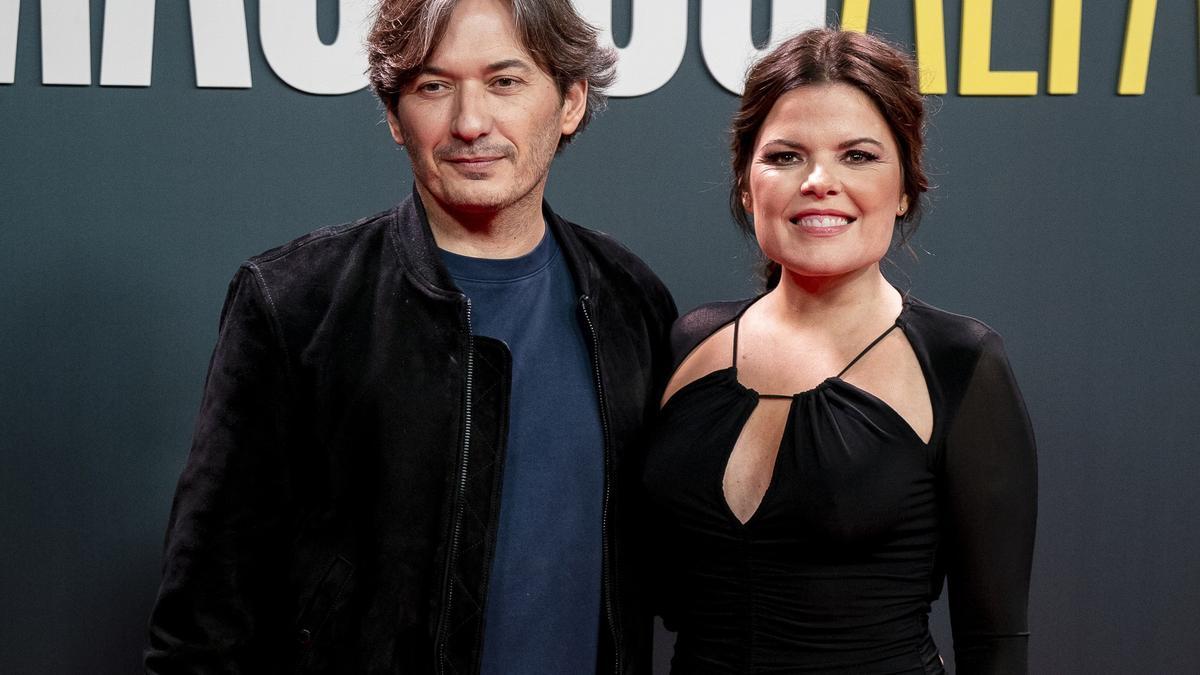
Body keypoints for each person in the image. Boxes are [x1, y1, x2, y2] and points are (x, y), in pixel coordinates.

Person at [144, 0, 676, 672]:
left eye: (505, 82)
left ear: (569, 103)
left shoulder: (632, 301)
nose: (470, 122)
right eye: (434, 86)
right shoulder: (295, 301)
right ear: (396, 117)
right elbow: (203, 616)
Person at [642, 28, 1037, 674]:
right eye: (786, 156)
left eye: (858, 156)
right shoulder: (689, 343)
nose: (820, 181)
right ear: (746, 185)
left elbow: (994, 643)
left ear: (906, 186)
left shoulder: (961, 363)